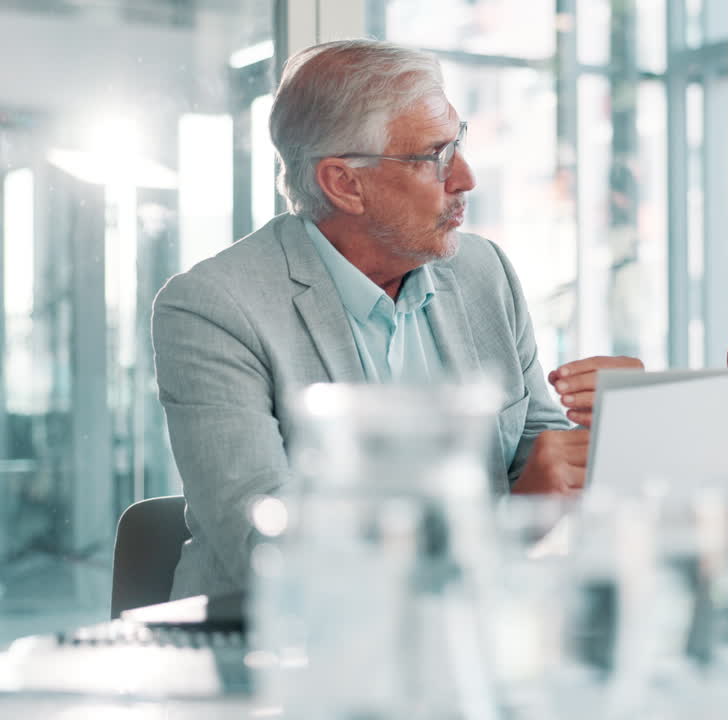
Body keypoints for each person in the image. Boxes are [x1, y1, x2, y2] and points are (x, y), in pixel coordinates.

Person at [153, 40, 633, 600]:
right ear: (344, 183)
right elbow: (273, 556)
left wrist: (611, 430)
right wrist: (508, 519)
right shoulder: (214, 308)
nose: (467, 177)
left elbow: (533, 452)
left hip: (471, 639)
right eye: (436, 157)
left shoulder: (484, 271)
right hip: (278, 655)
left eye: (460, 144)